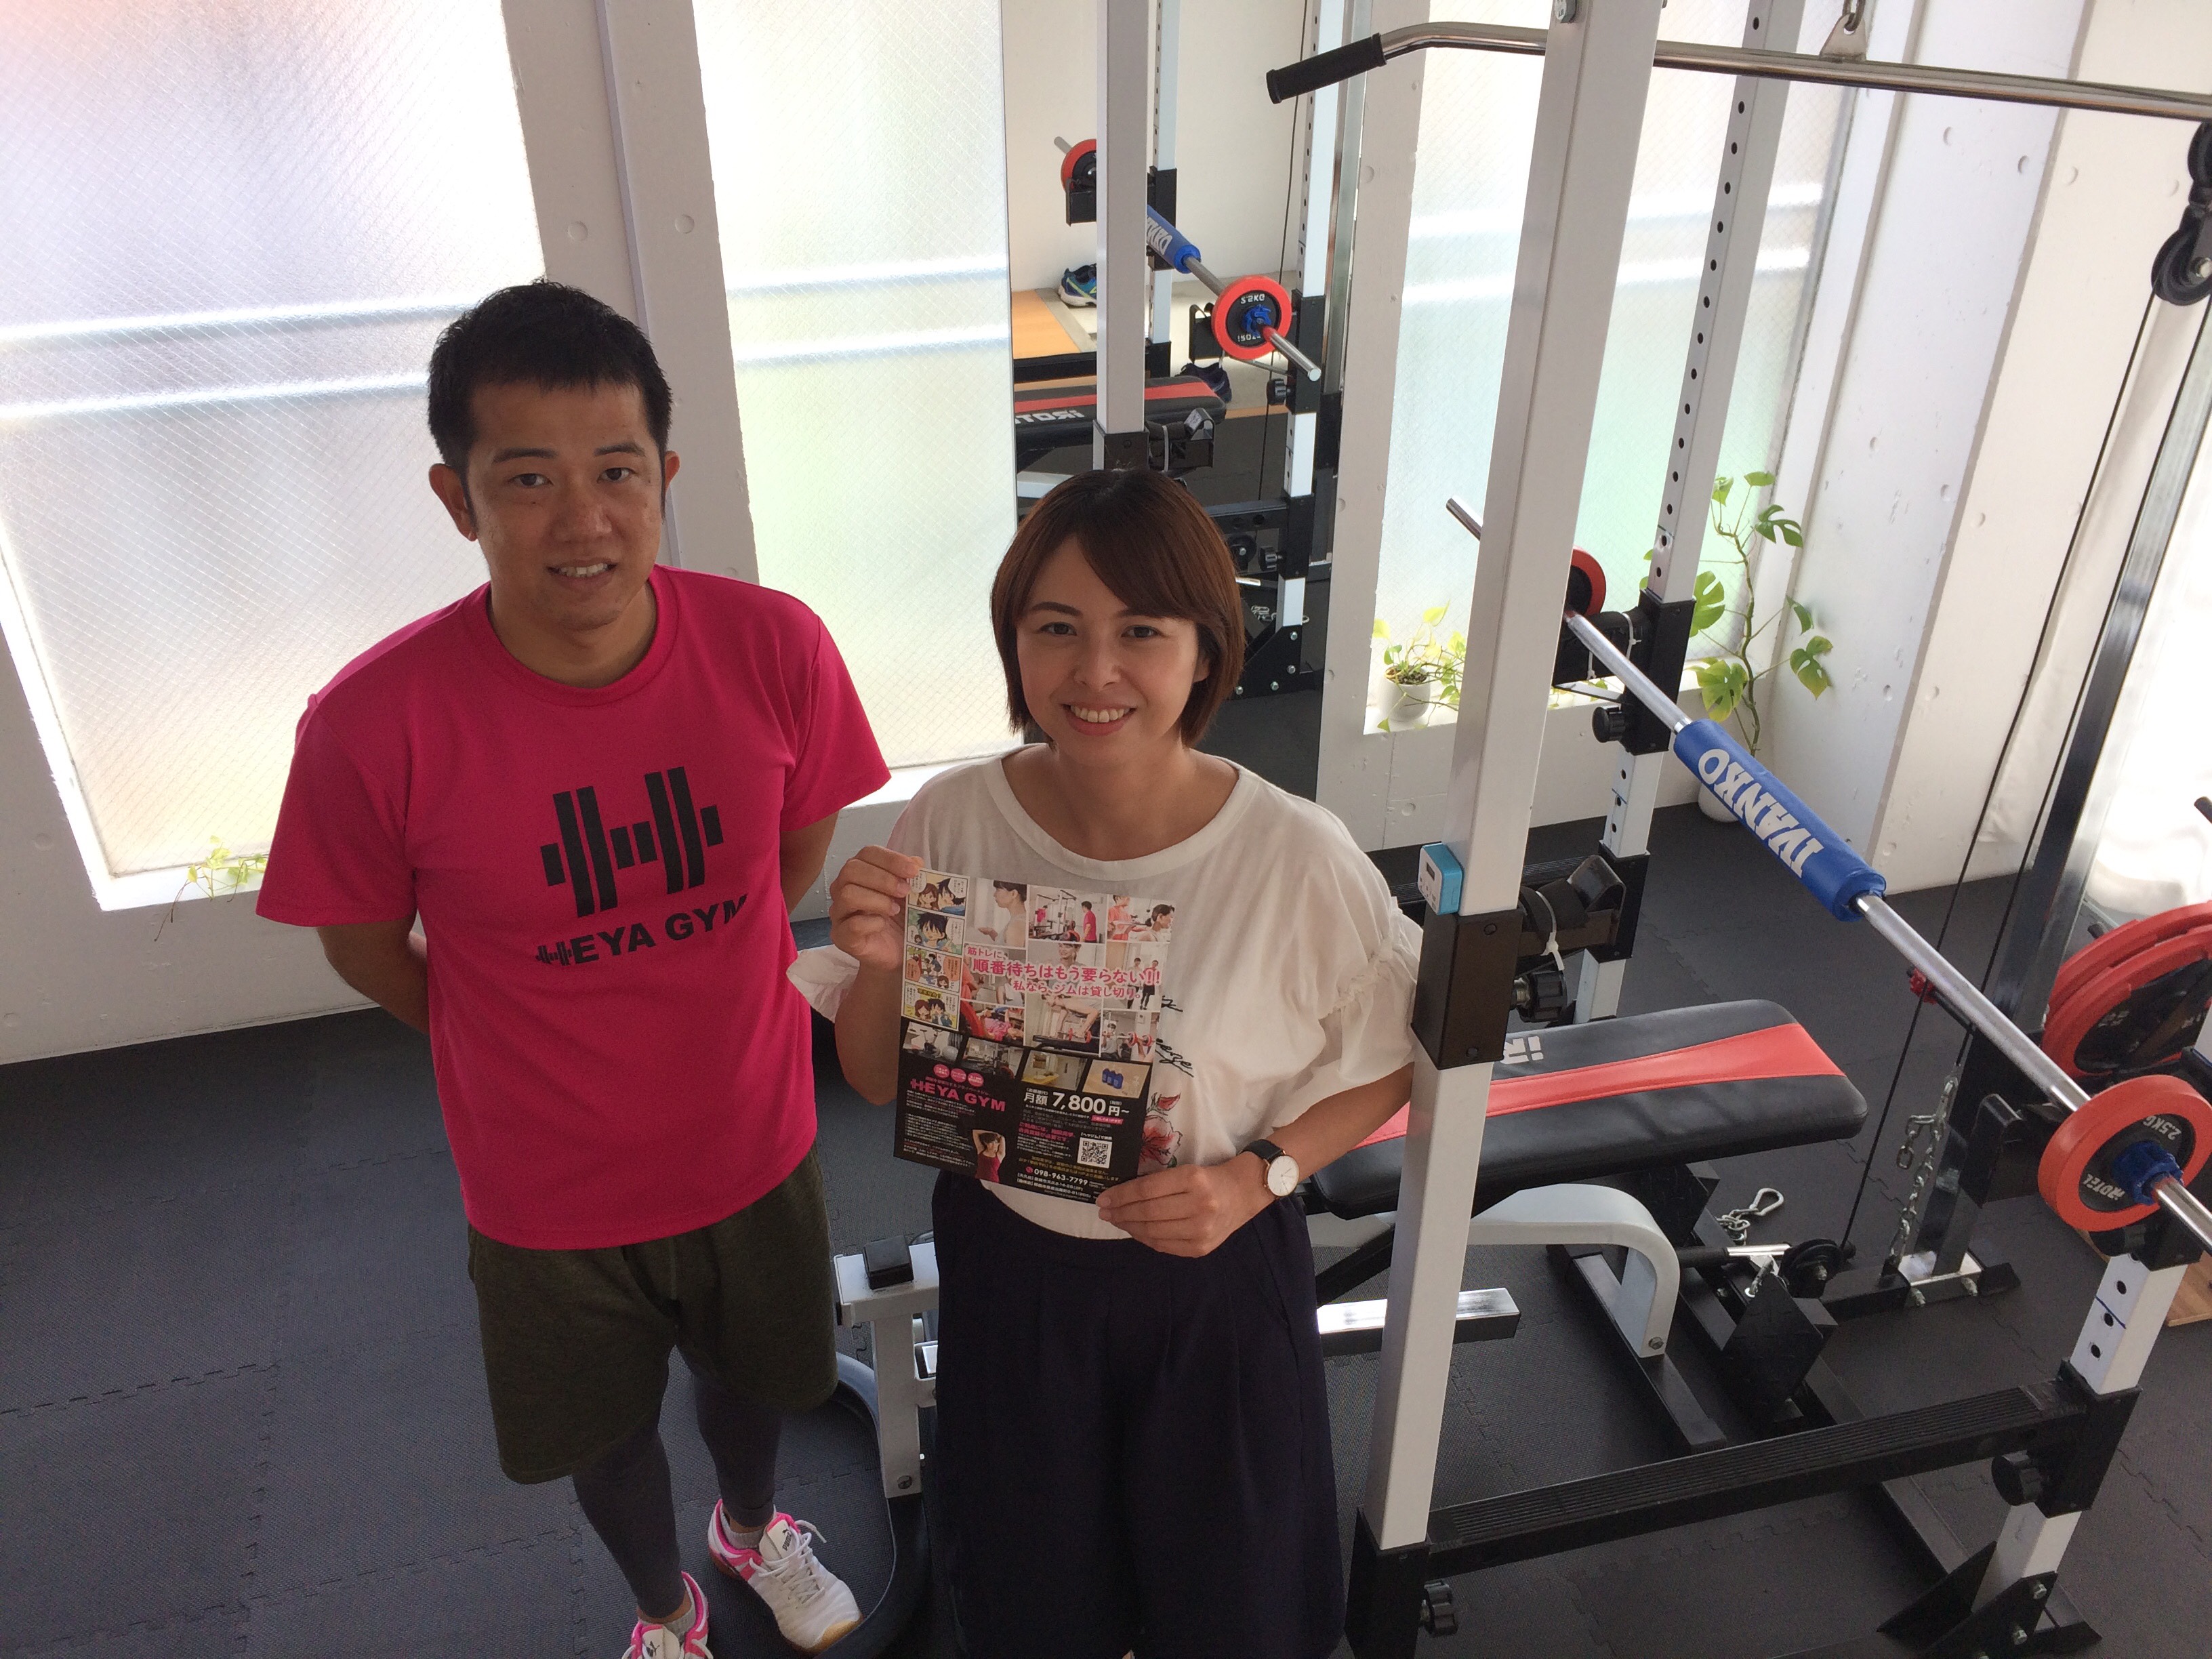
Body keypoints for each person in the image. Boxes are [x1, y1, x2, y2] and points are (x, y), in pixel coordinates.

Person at [255, 281, 889, 1659]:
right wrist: (511, 1031)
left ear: (665, 475)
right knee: (600, 1435)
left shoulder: (774, 646)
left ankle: (752, 1529)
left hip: (752, 1133)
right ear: (457, 497)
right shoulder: (371, 723)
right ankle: (665, 1611)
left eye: (616, 471)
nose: (583, 519)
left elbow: (789, 857)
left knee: (756, 1383)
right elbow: (362, 947)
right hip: (545, 1187)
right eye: (529, 479)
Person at [796, 468, 1419, 1659]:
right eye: (1057, 629)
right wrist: (875, 960)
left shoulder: (1298, 857)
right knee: (1035, 1605)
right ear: (1015, 644)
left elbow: (1395, 1059)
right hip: (1012, 1269)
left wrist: (1265, 1175)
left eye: (1142, 630)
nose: (1095, 672)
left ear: (1205, 649)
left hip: (1214, 1274)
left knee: (1236, 1608)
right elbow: (876, 1080)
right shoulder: (952, 820)